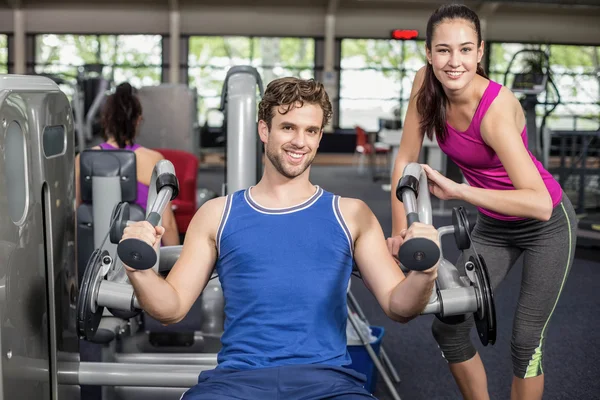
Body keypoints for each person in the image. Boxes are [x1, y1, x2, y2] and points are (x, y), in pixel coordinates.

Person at [121, 77, 440, 400]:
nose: (300, 141)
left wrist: (426, 271)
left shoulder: (351, 214)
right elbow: (171, 308)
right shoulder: (218, 214)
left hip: (328, 385)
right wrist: (139, 268)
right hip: (236, 384)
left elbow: (399, 306)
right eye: (288, 127)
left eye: (311, 131)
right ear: (264, 130)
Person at [387, 4, 577, 400]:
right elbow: (405, 159)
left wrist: (459, 191)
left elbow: (539, 203)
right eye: (443, 50)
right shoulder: (425, 84)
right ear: (428, 53)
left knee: (526, 340)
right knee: (449, 323)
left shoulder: (495, 110)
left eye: (464, 50)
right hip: (493, 224)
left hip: (547, 226)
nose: (454, 62)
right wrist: (399, 231)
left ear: (480, 52)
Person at [75, 82, 180, 246]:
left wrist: (80, 268)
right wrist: (174, 265)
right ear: (138, 121)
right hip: (144, 256)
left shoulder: (86, 159)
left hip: (97, 257)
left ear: (105, 120)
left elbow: (78, 217)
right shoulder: (154, 159)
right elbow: (167, 224)